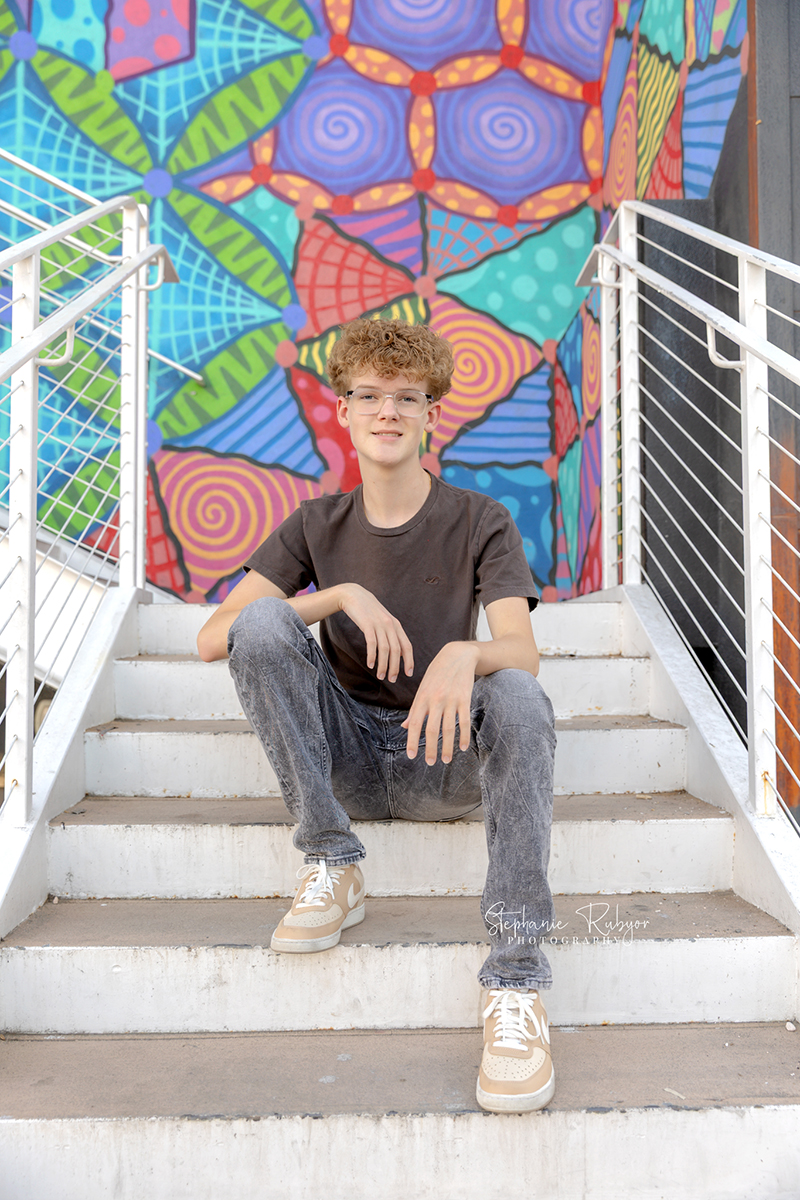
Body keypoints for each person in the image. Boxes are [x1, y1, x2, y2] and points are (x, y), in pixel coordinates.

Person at [197, 317, 557, 1113]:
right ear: (343, 409)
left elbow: (523, 654)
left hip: (444, 756)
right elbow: (214, 637)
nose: (387, 410)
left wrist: (467, 654)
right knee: (263, 624)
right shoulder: (316, 524)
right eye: (369, 395)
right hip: (348, 756)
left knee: (519, 695)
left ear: (432, 414)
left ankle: (517, 981)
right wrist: (338, 596)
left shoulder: (479, 519)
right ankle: (331, 860)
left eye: (407, 397)